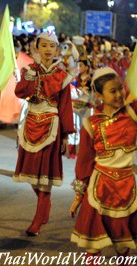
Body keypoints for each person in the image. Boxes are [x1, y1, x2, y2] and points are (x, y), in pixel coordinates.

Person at [69, 67, 137, 265]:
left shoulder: (132, 117)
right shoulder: (90, 123)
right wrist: (78, 196)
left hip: (127, 187)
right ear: (99, 95)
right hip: (98, 187)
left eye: (120, 89)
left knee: (123, 242)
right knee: (93, 243)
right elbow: (84, 162)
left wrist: (131, 105)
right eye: (112, 91)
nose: (119, 94)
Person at [13, 32, 75, 236]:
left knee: (46, 177)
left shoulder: (62, 76)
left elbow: (66, 106)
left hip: (52, 127)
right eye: (44, 46)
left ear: (57, 50)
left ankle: (38, 220)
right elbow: (21, 92)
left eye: (52, 46)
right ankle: (44, 206)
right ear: (37, 48)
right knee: (31, 174)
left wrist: (66, 135)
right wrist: (29, 79)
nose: (48, 50)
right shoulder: (29, 71)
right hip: (30, 123)